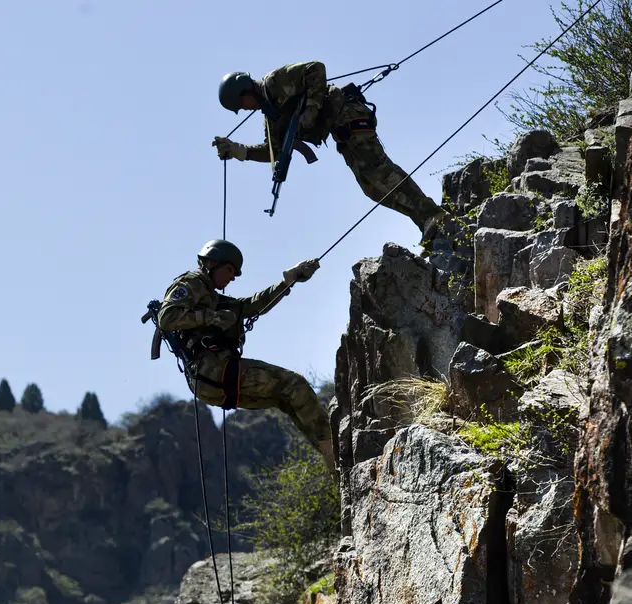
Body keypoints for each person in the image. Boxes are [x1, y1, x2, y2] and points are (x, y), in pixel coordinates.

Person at [210, 61, 456, 242]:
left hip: (348, 114)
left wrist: (310, 111)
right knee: (372, 188)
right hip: (341, 133)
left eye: (242, 105)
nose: (246, 110)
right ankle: (426, 223)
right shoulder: (271, 117)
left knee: (378, 170)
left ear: (245, 91)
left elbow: (315, 69)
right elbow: (272, 152)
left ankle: (432, 214)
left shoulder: (276, 81)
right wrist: (238, 151)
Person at [153, 239, 336, 473]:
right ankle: (335, 450)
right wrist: (211, 318)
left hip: (209, 383)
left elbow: (250, 306)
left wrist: (288, 281)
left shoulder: (214, 297)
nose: (233, 277)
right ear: (212, 262)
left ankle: (332, 459)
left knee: (286, 399)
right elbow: (166, 318)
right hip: (214, 370)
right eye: (230, 270)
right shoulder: (192, 282)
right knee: (294, 385)